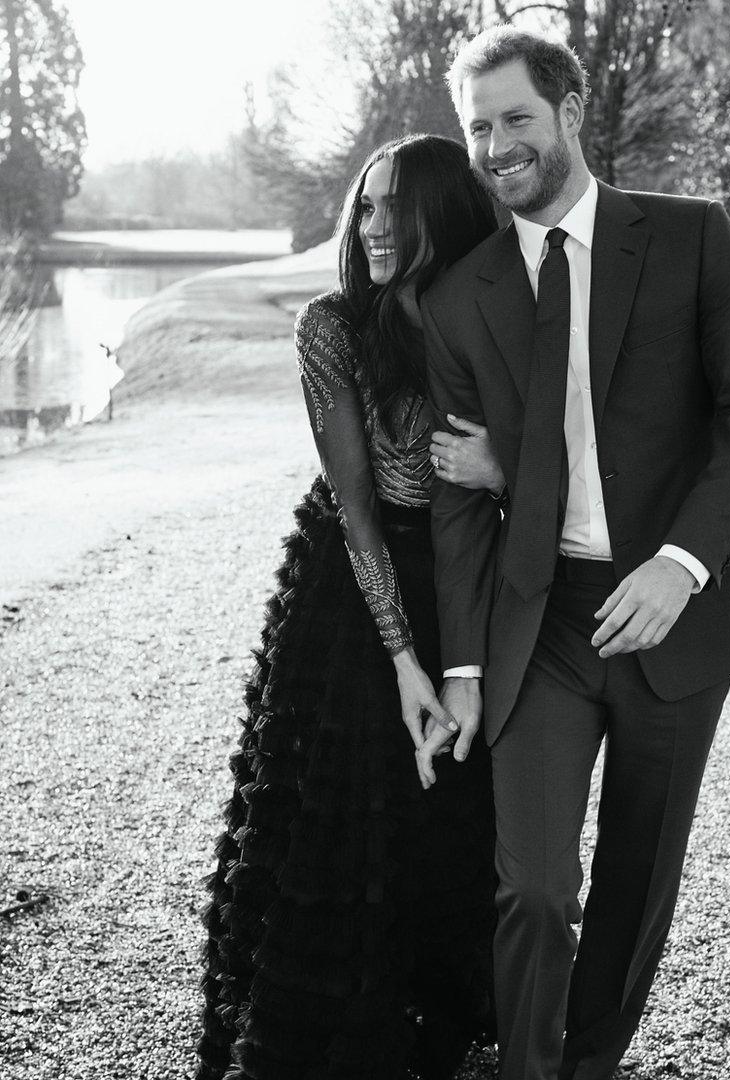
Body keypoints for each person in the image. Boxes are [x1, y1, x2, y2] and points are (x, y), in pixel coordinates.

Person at [416, 26, 730, 1080]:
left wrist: (680, 564)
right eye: (478, 126)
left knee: (636, 881)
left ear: (568, 109)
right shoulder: (461, 299)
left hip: (675, 610)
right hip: (541, 620)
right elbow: (453, 497)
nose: (496, 146)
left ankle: (588, 1066)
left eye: (516, 119)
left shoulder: (687, 236)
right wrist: (461, 666)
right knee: (534, 882)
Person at [195, 133, 504, 1080]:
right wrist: (406, 660)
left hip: (466, 579)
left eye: (392, 208)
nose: (371, 227)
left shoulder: (492, 316)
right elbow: (360, 512)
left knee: (457, 807)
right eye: (363, 206)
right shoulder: (330, 327)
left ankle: (446, 1025)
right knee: (346, 819)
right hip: (353, 593)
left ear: (440, 216)